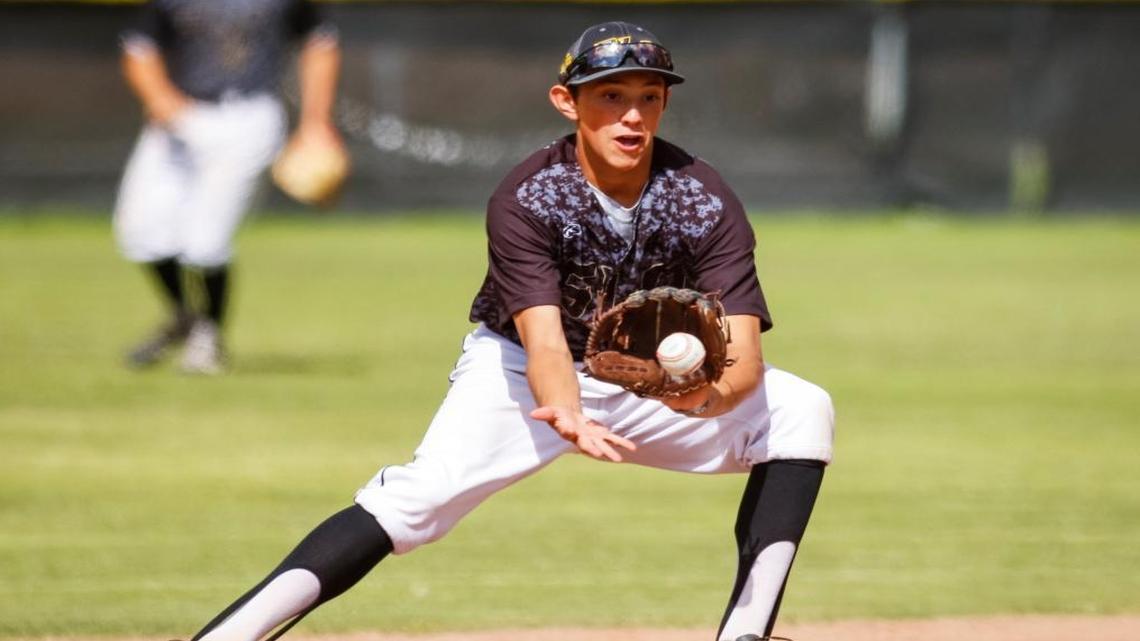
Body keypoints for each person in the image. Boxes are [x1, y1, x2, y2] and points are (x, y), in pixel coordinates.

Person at [183, 22, 834, 641]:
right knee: (417, 503)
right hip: (521, 375)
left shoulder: (703, 198)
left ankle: (744, 630)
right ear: (566, 100)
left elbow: (743, 357)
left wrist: (698, 399)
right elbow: (545, 340)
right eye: (611, 96)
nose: (632, 116)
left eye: (648, 98)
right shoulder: (530, 198)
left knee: (802, 408)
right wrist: (567, 411)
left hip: (647, 386)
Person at [113, 0, 343, 374]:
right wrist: (159, 98)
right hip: (180, 114)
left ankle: (207, 339)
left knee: (206, 242)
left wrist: (316, 123)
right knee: (141, 232)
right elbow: (139, 46)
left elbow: (320, 42)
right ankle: (184, 316)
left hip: (247, 117)